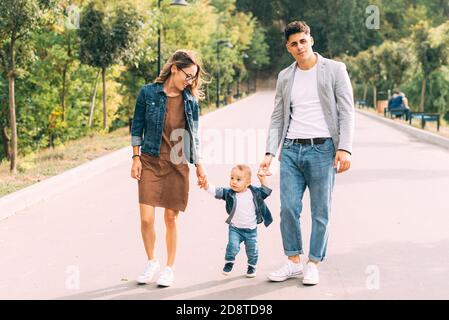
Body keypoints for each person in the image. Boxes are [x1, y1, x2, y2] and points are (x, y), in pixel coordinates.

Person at [260, 21, 355, 286]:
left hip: (323, 150)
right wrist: (269, 151)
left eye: (303, 40)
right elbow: (278, 116)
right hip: (290, 150)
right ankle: (293, 262)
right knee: (289, 208)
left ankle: (313, 262)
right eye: (294, 43)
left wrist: (345, 147)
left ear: (310, 40)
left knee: (320, 210)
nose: (299, 47)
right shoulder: (285, 76)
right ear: (287, 48)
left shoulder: (335, 70)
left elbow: (347, 110)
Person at [130, 49, 208, 287]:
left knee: (171, 218)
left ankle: (169, 267)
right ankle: (152, 260)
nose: (190, 81)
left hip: (177, 161)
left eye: (194, 77)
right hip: (151, 160)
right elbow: (137, 127)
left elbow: (194, 136)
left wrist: (199, 167)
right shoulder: (148, 93)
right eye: (188, 75)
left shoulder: (190, 101)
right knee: (146, 218)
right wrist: (135, 157)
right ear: (175, 68)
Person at [203, 165, 273, 278]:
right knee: (232, 246)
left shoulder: (254, 193)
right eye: (232, 178)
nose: (234, 182)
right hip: (235, 229)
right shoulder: (229, 193)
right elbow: (217, 192)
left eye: (238, 179)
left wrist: (262, 178)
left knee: (252, 250)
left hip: (251, 230)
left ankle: (251, 266)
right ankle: (229, 262)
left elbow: (266, 191)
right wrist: (206, 186)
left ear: (248, 182)